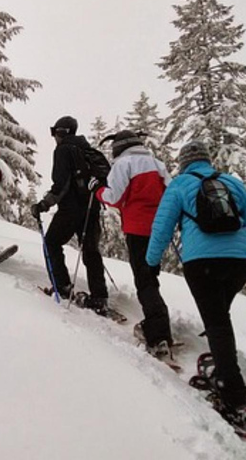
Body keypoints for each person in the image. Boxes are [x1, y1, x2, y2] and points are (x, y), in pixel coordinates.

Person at [146, 140, 246, 415]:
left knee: (217, 321)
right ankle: (224, 366)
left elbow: (162, 227)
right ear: (208, 160)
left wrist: (150, 263)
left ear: (184, 162)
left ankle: (231, 388)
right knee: (220, 315)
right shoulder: (233, 183)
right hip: (239, 262)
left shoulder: (180, 185)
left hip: (202, 263)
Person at [94, 130, 174, 355]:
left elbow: (113, 197)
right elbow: (171, 193)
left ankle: (158, 333)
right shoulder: (157, 164)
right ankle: (159, 326)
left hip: (137, 229)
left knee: (144, 279)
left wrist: (97, 189)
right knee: (151, 276)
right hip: (160, 228)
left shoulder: (123, 164)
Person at [30, 116, 108, 314]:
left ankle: (62, 286)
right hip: (92, 206)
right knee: (91, 251)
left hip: (71, 208)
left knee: (52, 243)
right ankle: (99, 297)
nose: (54, 136)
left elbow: (61, 184)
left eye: (55, 131)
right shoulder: (86, 149)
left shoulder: (63, 150)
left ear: (63, 132)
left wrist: (44, 204)